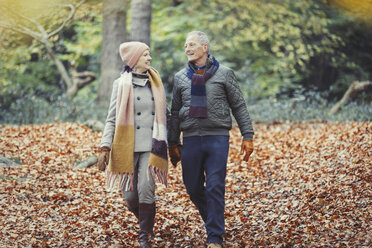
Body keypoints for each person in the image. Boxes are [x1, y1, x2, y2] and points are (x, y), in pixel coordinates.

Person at [168, 31, 254, 248]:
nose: (187, 48)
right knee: (193, 187)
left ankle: (214, 236)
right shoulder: (179, 77)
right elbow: (175, 110)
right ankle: (215, 221)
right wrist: (172, 142)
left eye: (192, 44)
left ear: (205, 47)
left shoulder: (225, 74)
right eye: (185, 45)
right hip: (190, 139)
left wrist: (248, 135)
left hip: (217, 138)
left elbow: (239, 105)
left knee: (215, 185)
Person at [97, 41, 168, 248]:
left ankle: (144, 236)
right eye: (145, 55)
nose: (150, 58)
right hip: (126, 147)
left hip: (151, 146)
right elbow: (112, 118)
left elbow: (166, 113)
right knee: (129, 197)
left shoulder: (156, 82)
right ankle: (147, 224)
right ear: (134, 59)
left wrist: (173, 142)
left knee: (146, 188)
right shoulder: (120, 85)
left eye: (149, 54)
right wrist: (104, 146)